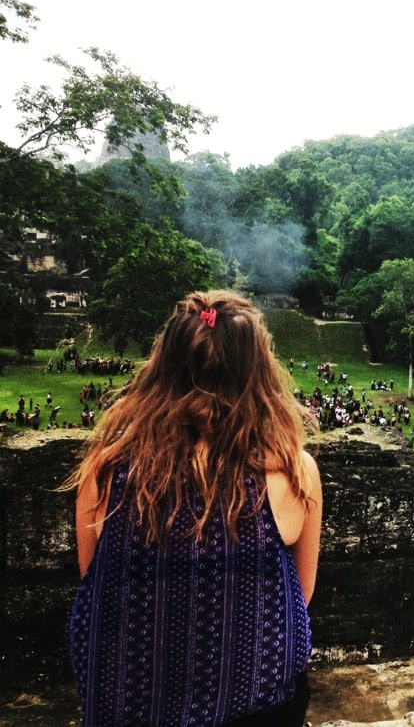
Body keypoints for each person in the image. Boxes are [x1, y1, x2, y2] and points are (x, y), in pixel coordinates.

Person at [64, 290, 322, 727]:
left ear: (164, 370)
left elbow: (97, 582)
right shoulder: (292, 472)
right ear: (257, 375)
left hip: (131, 702)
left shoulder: (107, 471)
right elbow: (301, 591)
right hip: (256, 700)